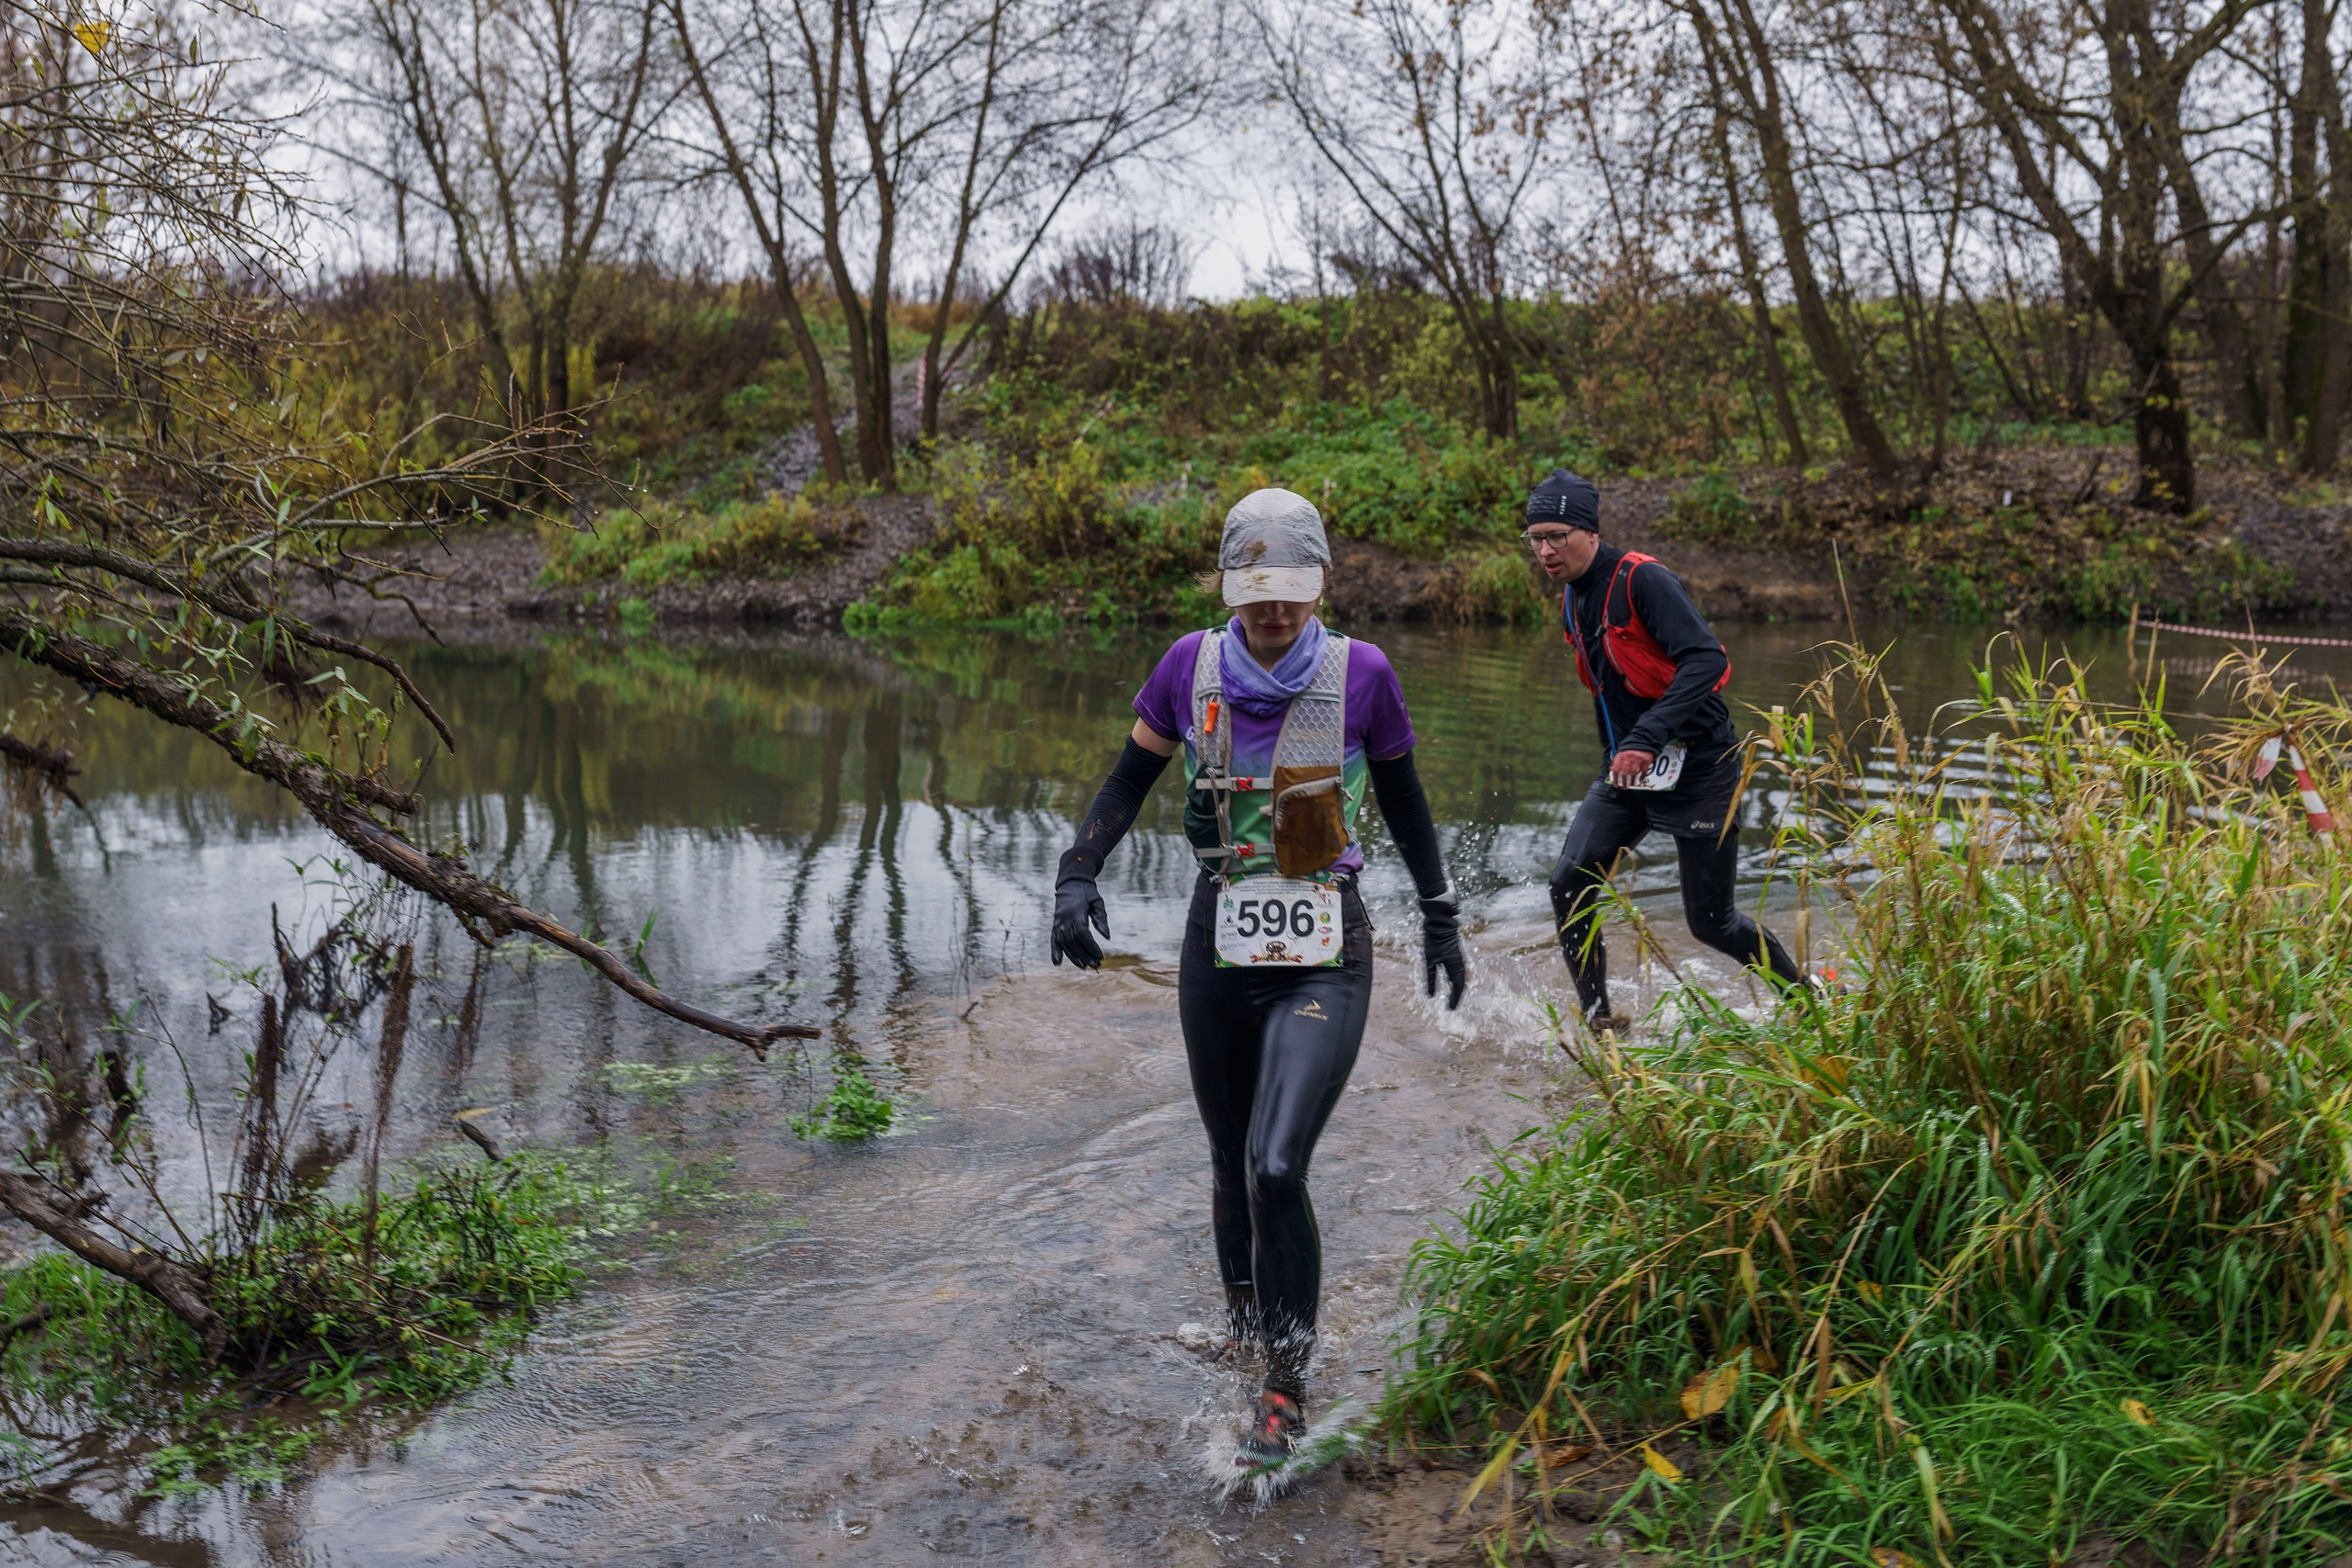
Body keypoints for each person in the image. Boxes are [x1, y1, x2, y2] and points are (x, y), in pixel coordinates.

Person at [1048, 488, 1465, 1476]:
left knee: (1277, 1164)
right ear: (1229, 586)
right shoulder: (1186, 670)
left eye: (1289, 593)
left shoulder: (1360, 674)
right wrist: (1077, 871)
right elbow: (1123, 781)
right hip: (1219, 935)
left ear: (1319, 584)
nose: (1272, 613)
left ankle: (1286, 1384)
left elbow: (1404, 799)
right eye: (1254, 594)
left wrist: (1443, 913)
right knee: (1229, 1156)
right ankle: (1245, 1327)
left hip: (1325, 943)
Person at [1523, 468, 1804, 1031]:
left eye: (1558, 536)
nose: (1546, 550)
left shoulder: (1642, 581)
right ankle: (1602, 1022)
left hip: (1701, 768)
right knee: (1569, 885)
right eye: (1535, 538)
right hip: (1627, 770)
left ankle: (1807, 1000)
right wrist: (1625, 752)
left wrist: (1648, 737)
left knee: (1711, 922)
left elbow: (1709, 660)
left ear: (1589, 532)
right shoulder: (1572, 600)